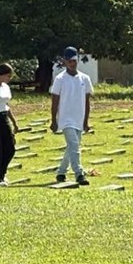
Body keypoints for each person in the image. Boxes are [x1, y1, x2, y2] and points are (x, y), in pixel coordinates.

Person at [51, 47, 93, 186]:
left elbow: (87, 101)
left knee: (72, 148)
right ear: (64, 62)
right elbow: (55, 101)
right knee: (74, 145)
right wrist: (54, 120)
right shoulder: (60, 79)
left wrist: (86, 121)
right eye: (69, 61)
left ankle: (61, 172)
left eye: (74, 60)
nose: (72, 63)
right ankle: (79, 174)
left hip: (79, 118)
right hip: (65, 119)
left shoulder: (85, 78)